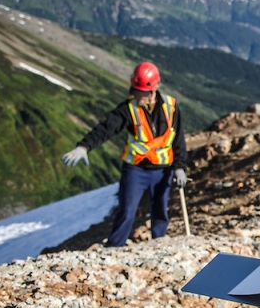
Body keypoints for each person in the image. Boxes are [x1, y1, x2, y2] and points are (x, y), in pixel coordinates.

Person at [62, 62, 187, 247]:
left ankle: (159, 245)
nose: (137, 95)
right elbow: (106, 128)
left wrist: (180, 167)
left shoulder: (172, 107)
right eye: (135, 90)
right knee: (127, 210)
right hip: (136, 170)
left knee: (160, 210)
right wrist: (84, 146)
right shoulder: (128, 109)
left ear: (153, 90)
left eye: (141, 92)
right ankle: (114, 247)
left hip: (163, 170)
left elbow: (179, 141)